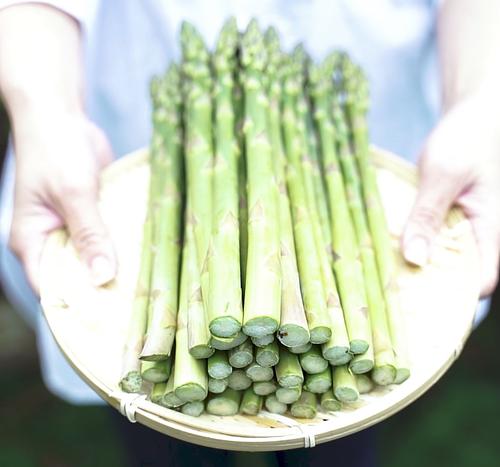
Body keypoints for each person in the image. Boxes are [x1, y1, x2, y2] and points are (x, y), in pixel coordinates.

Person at [0, 1, 498, 466]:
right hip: (155, 172)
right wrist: (46, 111)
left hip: (348, 162)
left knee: (341, 441)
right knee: (164, 439)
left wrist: (479, 105)